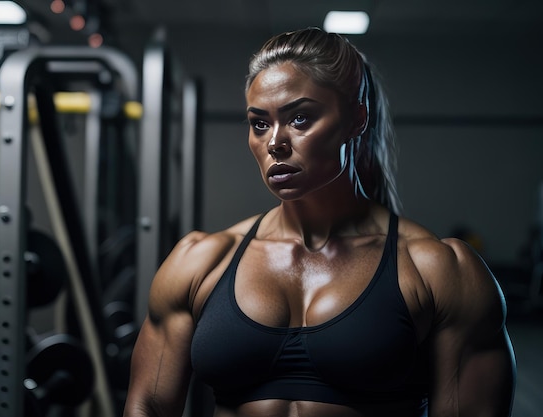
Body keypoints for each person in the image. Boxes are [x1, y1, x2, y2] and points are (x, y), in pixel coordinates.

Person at [123, 28, 516, 417]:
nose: (275, 141)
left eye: (300, 118)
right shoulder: (201, 261)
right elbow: (149, 405)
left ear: (355, 120)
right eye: (259, 124)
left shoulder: (439, 270)